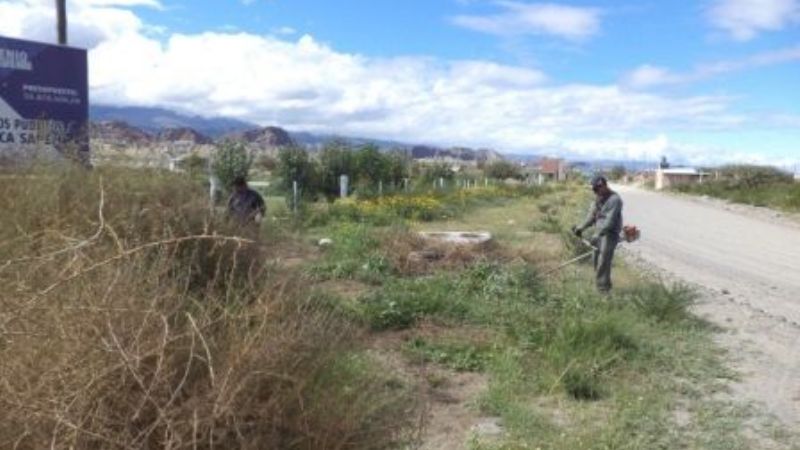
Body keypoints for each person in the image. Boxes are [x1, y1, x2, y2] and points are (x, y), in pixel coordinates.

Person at [571, 175, 623, 293]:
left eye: (597, 189)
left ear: (604, 185)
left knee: (603, 259)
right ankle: (601, 284)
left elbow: (609, 221)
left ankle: (604, 290)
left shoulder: (615, 200)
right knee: (595, 259)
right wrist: (580, 228)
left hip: (610, 234)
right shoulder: (598, 199)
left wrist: (597, 234)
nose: (595, 192)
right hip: (599, 233)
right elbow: (591, 217)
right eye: (594, 189)